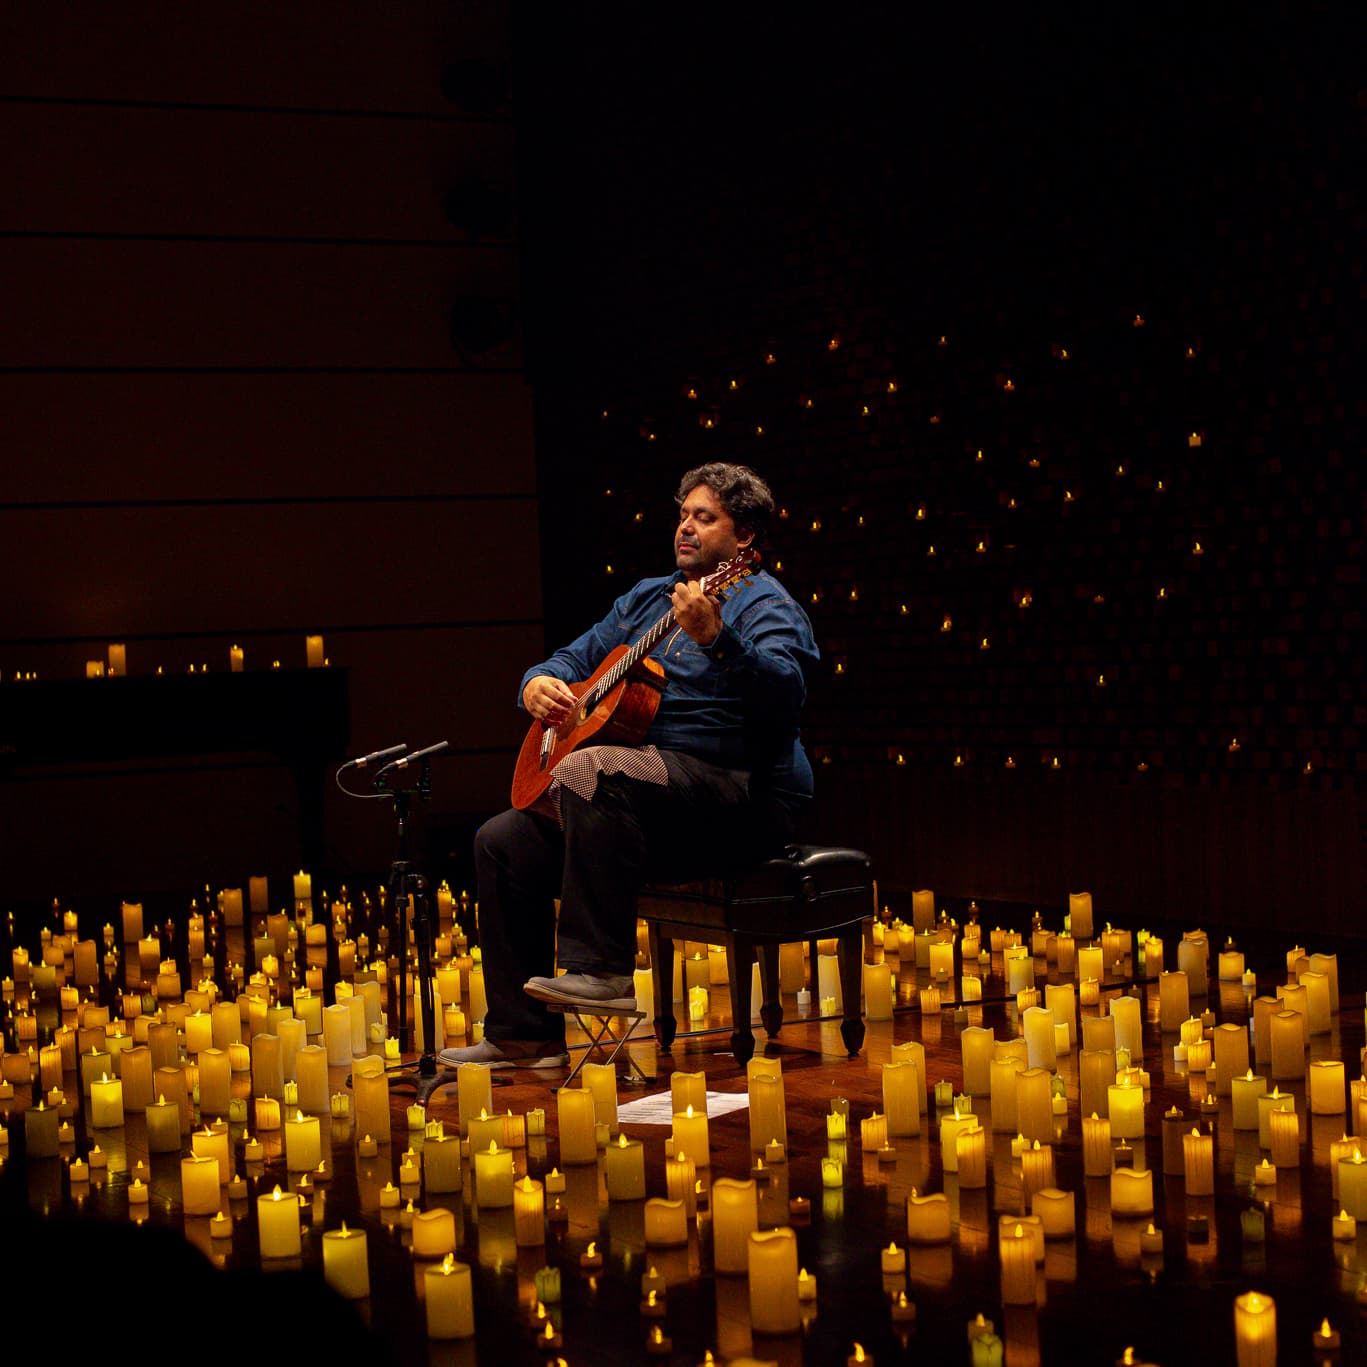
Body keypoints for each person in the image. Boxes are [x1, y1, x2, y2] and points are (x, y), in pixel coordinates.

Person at [440, 462, 818, 1068]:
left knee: (598, 767)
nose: (686, 527)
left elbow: (786, 695)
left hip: (740, 796)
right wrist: (537, 683)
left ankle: (602, 971)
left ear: (744, 536)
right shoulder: (647, 597)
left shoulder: (765, 604)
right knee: (501, 841)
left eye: (705, 517)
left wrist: (717, 639)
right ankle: (523, 1036)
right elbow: (572, 658)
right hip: (643, 801)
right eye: (683, 514)